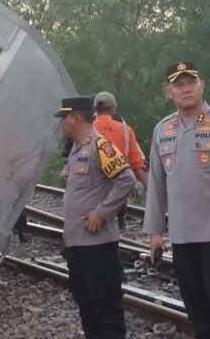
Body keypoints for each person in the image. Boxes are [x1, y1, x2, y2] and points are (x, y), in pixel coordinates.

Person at [143, 61, 210, 339]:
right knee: (194, 302)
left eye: (191, 82)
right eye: (179, 85)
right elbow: (156, 184)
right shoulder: (162, 130)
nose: (186, 89)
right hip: (181, 234)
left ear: (201, 86)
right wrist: (155, 232)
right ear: (169, 92)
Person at [55, 96, 136, 339]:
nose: (61, 123)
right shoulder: (76, 149)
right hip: (78, 243)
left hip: (97, 245)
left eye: (64, 118)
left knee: (105, 307)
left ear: (76, 118)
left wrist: (101, 213)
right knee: (86, 303)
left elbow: (126, 180)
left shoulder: (100, 146)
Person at [93, 91, 149, 229]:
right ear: (113, 109)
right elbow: (136, 162)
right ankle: (120, 223)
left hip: (95, 184)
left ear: (95, 109)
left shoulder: (88, 128)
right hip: (119, 184)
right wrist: (150, 187)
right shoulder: (125, 130)